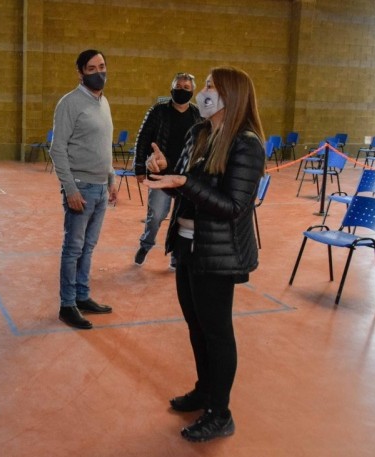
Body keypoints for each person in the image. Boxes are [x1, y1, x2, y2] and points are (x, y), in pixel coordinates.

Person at [144, 66, 265, 442]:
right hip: (187, 244)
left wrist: (185, 182)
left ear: (233, 95)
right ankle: (204, 391)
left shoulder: (246, 144)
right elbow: (189, 189)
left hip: (218, 252)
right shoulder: (201, 132)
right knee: (196, 326)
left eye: (212, 86)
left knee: (217, 331)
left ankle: (220, 412)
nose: (204, 93)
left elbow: (232, 206)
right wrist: (169, 173)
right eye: (206, 87)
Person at [49, 49, 118, 330]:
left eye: (102, 66)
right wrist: (70, 189)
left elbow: (104, 145)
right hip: (81, 187)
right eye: (91, 68)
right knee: (73, 248)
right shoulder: (69, 103)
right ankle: (67, 305)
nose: (98, 72)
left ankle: (82, 295)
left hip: (101, 187)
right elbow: (58, 149)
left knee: (88, 247)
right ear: (80, 72)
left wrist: (112, 178)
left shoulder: (104, 102)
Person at [133, 73, 201, 270]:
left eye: (186, 88)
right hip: (160, 176)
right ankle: (146, 245)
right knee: (156, 215)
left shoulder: (198, 116)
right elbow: (142, 138)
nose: (182, 90)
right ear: (171, 88)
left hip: (186, 178)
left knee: (181, 219)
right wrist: (139, 167)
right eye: (178, 86)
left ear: (192, 91)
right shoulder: (158, 111)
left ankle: (175, 255)